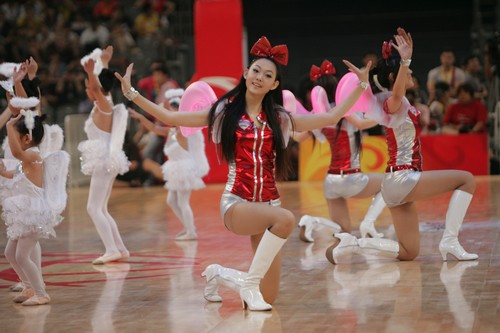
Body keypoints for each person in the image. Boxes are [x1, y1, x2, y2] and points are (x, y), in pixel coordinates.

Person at [115, 36, 371, 311]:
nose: (260, 77)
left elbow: (330, 118)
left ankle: (219, 275)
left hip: (268, 206)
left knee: (269, 295)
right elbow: (171, 118)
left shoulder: (280, 118)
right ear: (246, 73)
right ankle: (249, 284)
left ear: (274, 84)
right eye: (256, 70)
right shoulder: (224, 114)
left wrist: (362, 85)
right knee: (286, 219)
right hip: (237, 204)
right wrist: (131, 93)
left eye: (268, 75)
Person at [326, 27, 478, 264]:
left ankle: (353, 243)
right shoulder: (392, 101)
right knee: (466, 179)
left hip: (395, 183)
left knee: (409, 252)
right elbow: (395, 95)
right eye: (406, 71)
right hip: (403, 178)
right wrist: (405, 59)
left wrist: (403, 63)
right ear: (393, 78)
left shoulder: (398, 104)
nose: (411, 73)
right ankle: (450, 241)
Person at [296, 59, 386, 242]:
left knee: (344, 232)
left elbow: (299, 137)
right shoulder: (344, 108)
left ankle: (311, 220)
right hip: (352, 177)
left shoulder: (317, 113)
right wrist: (384, 116)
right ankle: (369, 222)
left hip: (330, 181)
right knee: (389, 182)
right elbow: (361, 123)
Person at [1, 97, 69, 306]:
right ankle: (29, 286)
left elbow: (16, 152)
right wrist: (4, 172)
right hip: (26, 212)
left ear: (27, 139)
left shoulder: (33, 155)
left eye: (17, 136)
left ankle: (41, 292)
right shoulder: (28, 160)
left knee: (22, 256)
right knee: (10, 252)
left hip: (34, 213)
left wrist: (10, 126)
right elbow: (16, 173)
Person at [129, 88, 209, 240]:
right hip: (176, 167)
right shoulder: (174, 130)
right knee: (171, 201)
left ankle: (191, 231)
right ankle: (188, 227)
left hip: (184, 168)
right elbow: (155, 128)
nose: (168, 113)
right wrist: (141, 117)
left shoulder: (185, 131)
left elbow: (179, 136)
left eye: (171, 110)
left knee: (183, 202)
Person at [78, 47, 130, 265]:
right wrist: (104, 63)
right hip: (105, 161)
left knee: (93, 208)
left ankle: (111, 249)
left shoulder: (104, 103)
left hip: (103, 162)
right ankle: (120, 248)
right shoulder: (105, 101)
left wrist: (91, 73)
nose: (87, 89)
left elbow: (98, 88)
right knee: (101, 208)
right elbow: (103, 87)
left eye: (88, 86)